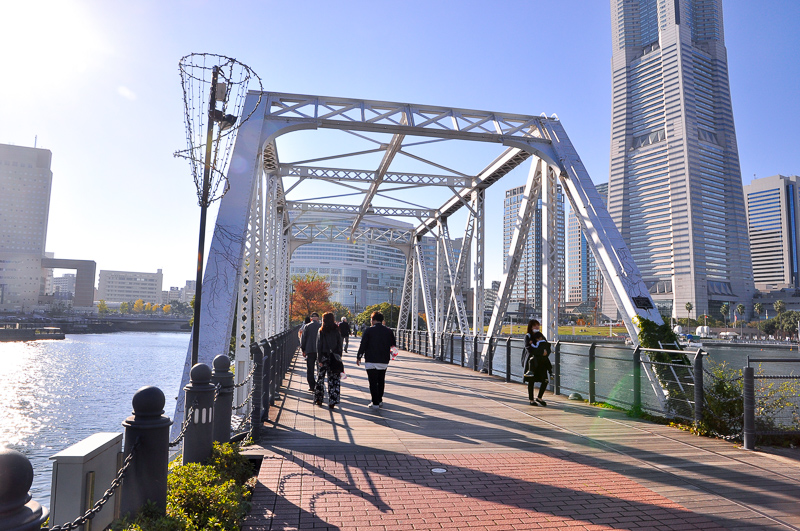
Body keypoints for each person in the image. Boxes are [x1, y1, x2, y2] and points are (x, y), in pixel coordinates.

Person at [357, 311, 396, 409]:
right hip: (383, 359)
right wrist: (393, 355)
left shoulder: (368, 331)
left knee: (373, 382)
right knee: (381, 380)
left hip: (370, 359)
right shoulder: (388, 331)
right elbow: (393, 345)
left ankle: (375, 402)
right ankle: (379, 399)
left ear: (373, 320)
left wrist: (359, 356)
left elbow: (363, 345)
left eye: (371, 319)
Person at [315, 312, 344, 409]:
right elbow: (340, 345)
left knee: (320, 378)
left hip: (323, 357)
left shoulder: (321, 330)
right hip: (334, 357)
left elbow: (319, 346)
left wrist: (319, 359)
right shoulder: (337, 330)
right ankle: (333, 400)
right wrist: (339, 356)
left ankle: (319, 398)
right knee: (334, 379)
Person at [522, 319, 552, 406]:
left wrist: (547, 353)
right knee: (531, 381)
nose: (537, 327)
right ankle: (531, 400)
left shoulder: (541, 336)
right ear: (530, 327)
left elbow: (547, 346)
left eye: (538, 325)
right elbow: (529, 349)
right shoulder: (528, 336)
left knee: (545, 380)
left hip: (541, 362)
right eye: (535, 326)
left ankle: (539, 397)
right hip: (532, 362)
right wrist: (541, 352)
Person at [300, 312, 321, 392]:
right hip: (319, 350)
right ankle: (319, 384)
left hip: (309, 350)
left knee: (310, 369)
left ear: (311, 318)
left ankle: (312, 386)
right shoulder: (320, 326)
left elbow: (303, 338)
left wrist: (303, 349)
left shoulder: (307, 326)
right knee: (319, 368)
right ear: (318, 318)